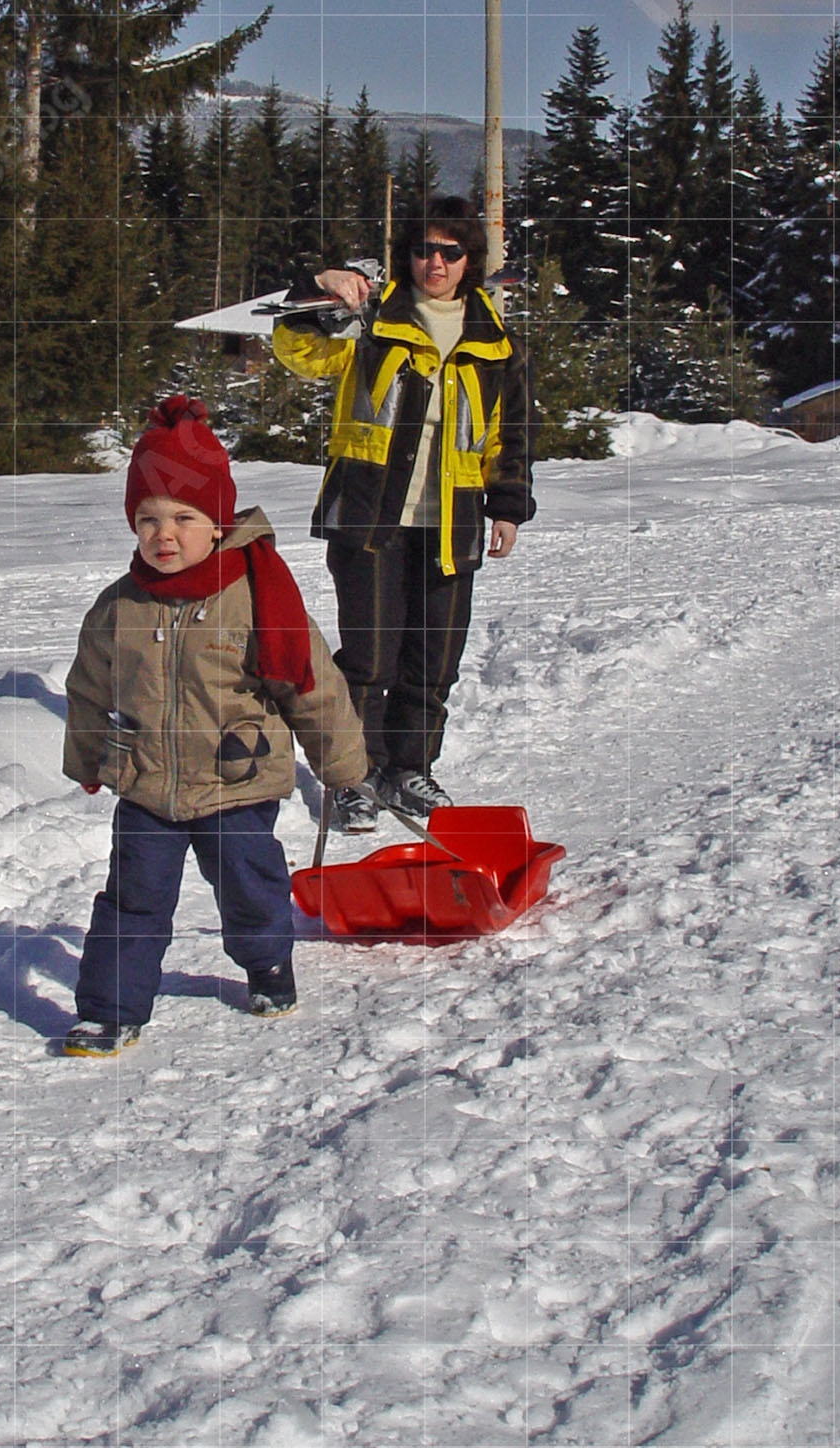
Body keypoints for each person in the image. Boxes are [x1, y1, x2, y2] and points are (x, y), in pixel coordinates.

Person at [61, 393, 370, 1057]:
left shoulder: (258, 600)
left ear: (217, 523)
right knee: (132, 899)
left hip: (238, 778)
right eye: (146, 518)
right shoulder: (120, 606)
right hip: (147, 783)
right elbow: (88, 686)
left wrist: (342, 769)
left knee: (247, 885)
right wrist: (86, 756)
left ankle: (266, 965)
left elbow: (312, 688)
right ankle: (110, 1010)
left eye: (182, 516)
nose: (162, 534)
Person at [273, 195, 536, 829]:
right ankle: (354, 775)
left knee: (434, 658)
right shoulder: (369, 322)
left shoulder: (494, 342)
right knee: (369, 659)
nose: (435, 263)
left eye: (450, 251)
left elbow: (511, 432)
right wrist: (315, 283)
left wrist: (507, 507)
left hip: (453, 520)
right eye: (423, 250)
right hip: (369, 517)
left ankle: (409, 769)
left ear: (469, 260)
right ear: (407, 257)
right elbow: (294, 346)